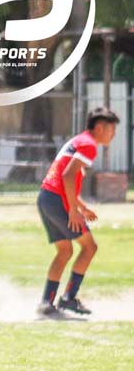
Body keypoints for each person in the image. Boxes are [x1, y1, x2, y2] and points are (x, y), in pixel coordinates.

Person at [36, 107, 119, 317]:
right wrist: (74, 210)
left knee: (65, 251)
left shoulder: (79, 140)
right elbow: (67, 176)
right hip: (57, 201)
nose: (114, 134)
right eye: (111, 129)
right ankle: (68, 298)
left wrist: (80, 206)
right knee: (89, 247)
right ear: (99, 127)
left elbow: (63, 179)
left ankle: (47, 302)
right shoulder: (89, 144)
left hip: (46, 198)